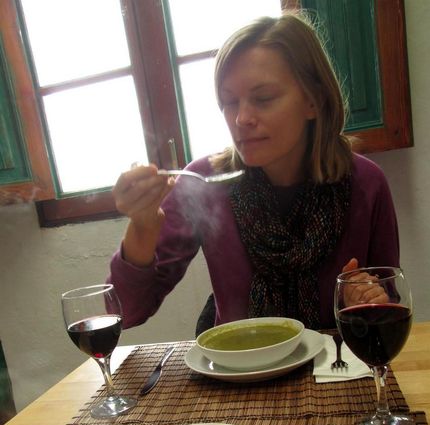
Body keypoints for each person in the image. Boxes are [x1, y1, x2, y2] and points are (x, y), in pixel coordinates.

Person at [108, 11, 399, 334]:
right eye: (229, 101)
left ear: (313, 100)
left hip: (333, 361)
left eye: (263, 98)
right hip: (235, 362)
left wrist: (367, 298)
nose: (241, 118)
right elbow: (127, 312)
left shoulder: (366, 184)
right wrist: (144, 225)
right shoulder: (203, 183)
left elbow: (387, 308)